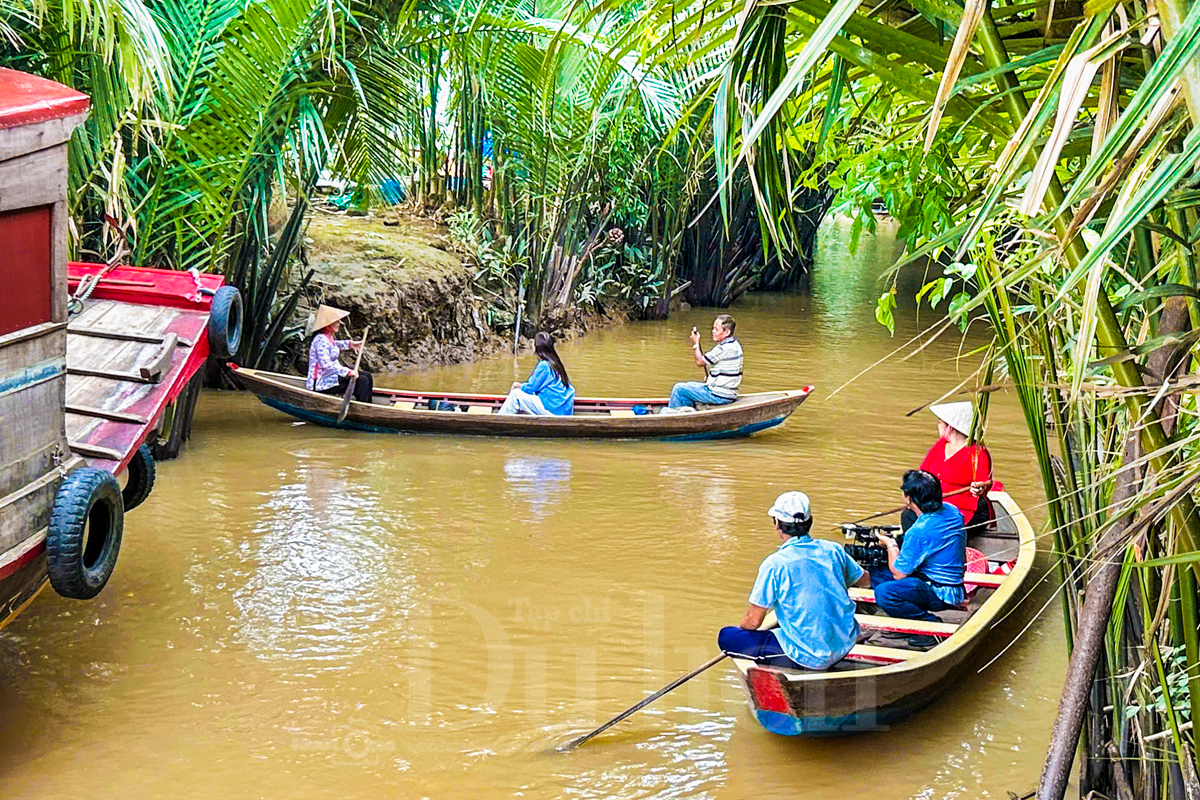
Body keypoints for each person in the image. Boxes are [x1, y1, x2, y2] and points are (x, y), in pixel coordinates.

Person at [718, 492, 865, 670]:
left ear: (778, 525)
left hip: (810, 655)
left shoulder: (775, 564)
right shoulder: (833, 550)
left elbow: (753, 621)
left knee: (727, 636)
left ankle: (799, 664)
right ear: (810, 522)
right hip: (844, 644)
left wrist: (741, 630)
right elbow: (864, 580)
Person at [871, 470, 966, 647]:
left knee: (884, 592)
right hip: (954, 586)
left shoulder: (919, 531)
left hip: (941, 592)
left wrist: (890, 544)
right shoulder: (953, 511)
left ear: (909, 499)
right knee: (875, 574)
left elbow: (899, 574)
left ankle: (929, 625)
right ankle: (904, 618)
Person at [909, 402, 994, 531]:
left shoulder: (977, 452)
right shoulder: (940, 446)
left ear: (950, 427)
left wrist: (978, 488)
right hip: (937, 504)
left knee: (940, 527)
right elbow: (923, 472)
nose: (938, 426)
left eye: (940, 423)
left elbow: (983, 483)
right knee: (908, 515)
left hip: (965, 509)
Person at [668, 315, 743, 409]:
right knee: (687, 389)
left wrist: (696, 343)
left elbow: (700, 361)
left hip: (719, 395)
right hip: (728, 392)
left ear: (726, 332)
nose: (713, 332)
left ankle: (671, 416)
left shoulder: (723, 349)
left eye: (716, 329)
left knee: (679, 389)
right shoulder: (736, 345)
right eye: (713, 329)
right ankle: (687, 413)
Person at [306, 304, 373, 402]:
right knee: (362, 381)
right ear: (327, 325)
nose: (339, 324)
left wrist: (350, 344)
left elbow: (333, 345)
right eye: (336, 321)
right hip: (321, 383)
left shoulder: (328, 337)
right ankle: (364, 407)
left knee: (367, 375)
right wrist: (347, 372)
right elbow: (326, 364)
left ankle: (368, 404)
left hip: (331, 376)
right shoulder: (320, 340)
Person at [498, 331, 575, 416]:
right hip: (560, 408)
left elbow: (530, 388)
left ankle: (499, 420)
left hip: (552, 408)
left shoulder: (544, 365)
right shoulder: (556, 363)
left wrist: (518, 385)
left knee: (515, 394)